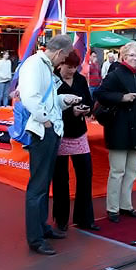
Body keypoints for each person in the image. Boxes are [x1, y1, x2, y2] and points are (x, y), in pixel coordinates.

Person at [18, 34, 82, 255]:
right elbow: (30, 96)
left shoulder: (43, 66)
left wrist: (64, 100)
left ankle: (42, 228)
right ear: (59, 53)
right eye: (64, 57)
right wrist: (45, 119)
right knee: (38, 186)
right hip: (44, 131)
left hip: (50, 130)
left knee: (43, 184)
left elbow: (46, 98)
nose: (63, 62)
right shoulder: (36, 65)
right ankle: (35, 238)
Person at [96, 42, 136, 223]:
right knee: (117, 171)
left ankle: (126, 205)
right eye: (132, 55)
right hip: (119, 129)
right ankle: (112, 208)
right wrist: (121, 98)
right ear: (123, 57)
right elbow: (100, 93)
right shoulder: (115, 75)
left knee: (132, 171)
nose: (135, 58)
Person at [51, 50, 99, 233]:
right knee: (61, 179)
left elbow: (88, 98)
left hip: (79, 132)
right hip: (60, 132)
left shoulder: (80, 79)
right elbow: (50, 107)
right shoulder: (52, 80)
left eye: (74, 67)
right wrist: (72, 112)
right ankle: (61, 219)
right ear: (60, 64)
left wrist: (86, 109)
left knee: (86, 175)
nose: (72, 70)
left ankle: (84, 217)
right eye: (68, 67)